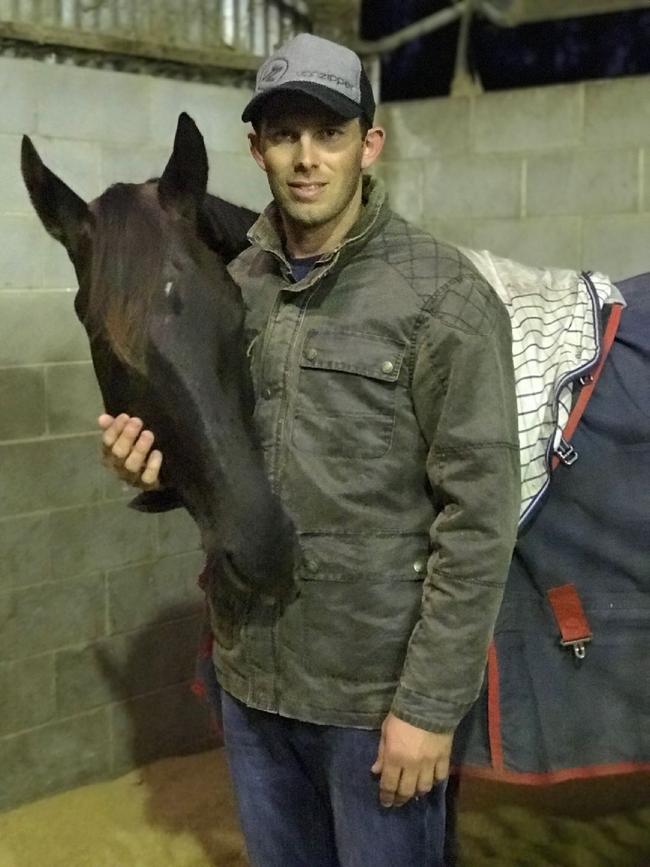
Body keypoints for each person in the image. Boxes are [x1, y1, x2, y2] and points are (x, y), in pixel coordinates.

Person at [99, 33, 521, 867]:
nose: (306, 158)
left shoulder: (441, 297)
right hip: (253, 685)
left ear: (369, 144)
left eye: (329, 133)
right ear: (256, 149)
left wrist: (429, 709)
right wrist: (148, 472)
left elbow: (479, 518)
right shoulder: (235, 290)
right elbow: (227, 458)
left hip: (374, 703)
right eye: (285, 134)